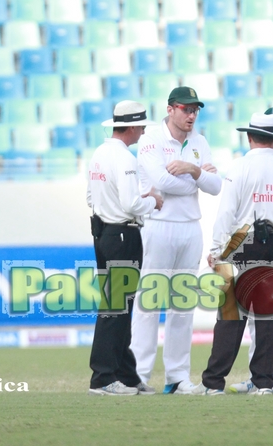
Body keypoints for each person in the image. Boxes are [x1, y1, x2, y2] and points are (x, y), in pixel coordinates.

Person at [192, 111, 273, 396]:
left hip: (242, 239)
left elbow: (227, 213)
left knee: (231, 314)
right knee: (268, 316)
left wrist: (216, 250)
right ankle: (263, 381)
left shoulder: (239, 168)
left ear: (249, 137)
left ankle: (213, 382)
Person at [130, 86, 222, 394]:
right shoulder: (151, 139)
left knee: (183, 303)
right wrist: (196, 178)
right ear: (170, 109)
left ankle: (177, 376)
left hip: (190, 226)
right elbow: (160, 181)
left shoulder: (200, 142)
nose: (191, 115)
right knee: (149, 301)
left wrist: (191, 169)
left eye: (195, 110)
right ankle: (139, 374)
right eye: (186, 109)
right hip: (158, 225)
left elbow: (216, 186)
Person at [86, 101, 162, 396]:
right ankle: (103, 378)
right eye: (141, 126)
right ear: (131, 127)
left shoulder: (99, 154)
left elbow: (91, 195)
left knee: (118, 305)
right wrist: (153, 201)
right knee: (117, 307)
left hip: (103, 232)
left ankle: (125, 374)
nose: (143, 131)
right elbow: (132, 204)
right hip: (122, 235)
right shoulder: (125, 158)